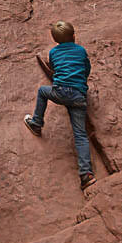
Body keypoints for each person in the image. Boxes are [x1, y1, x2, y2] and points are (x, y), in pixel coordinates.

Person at [24, 20, 95, 189]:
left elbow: (55, 69)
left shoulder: (54, 52)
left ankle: (36, 123)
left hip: (60, 92)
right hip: (78, 95)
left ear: (55, 39)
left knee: (42, 91)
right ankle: (86, 174)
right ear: (73, 36)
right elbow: (87, 69)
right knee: (80, 135)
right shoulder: (81, 50)